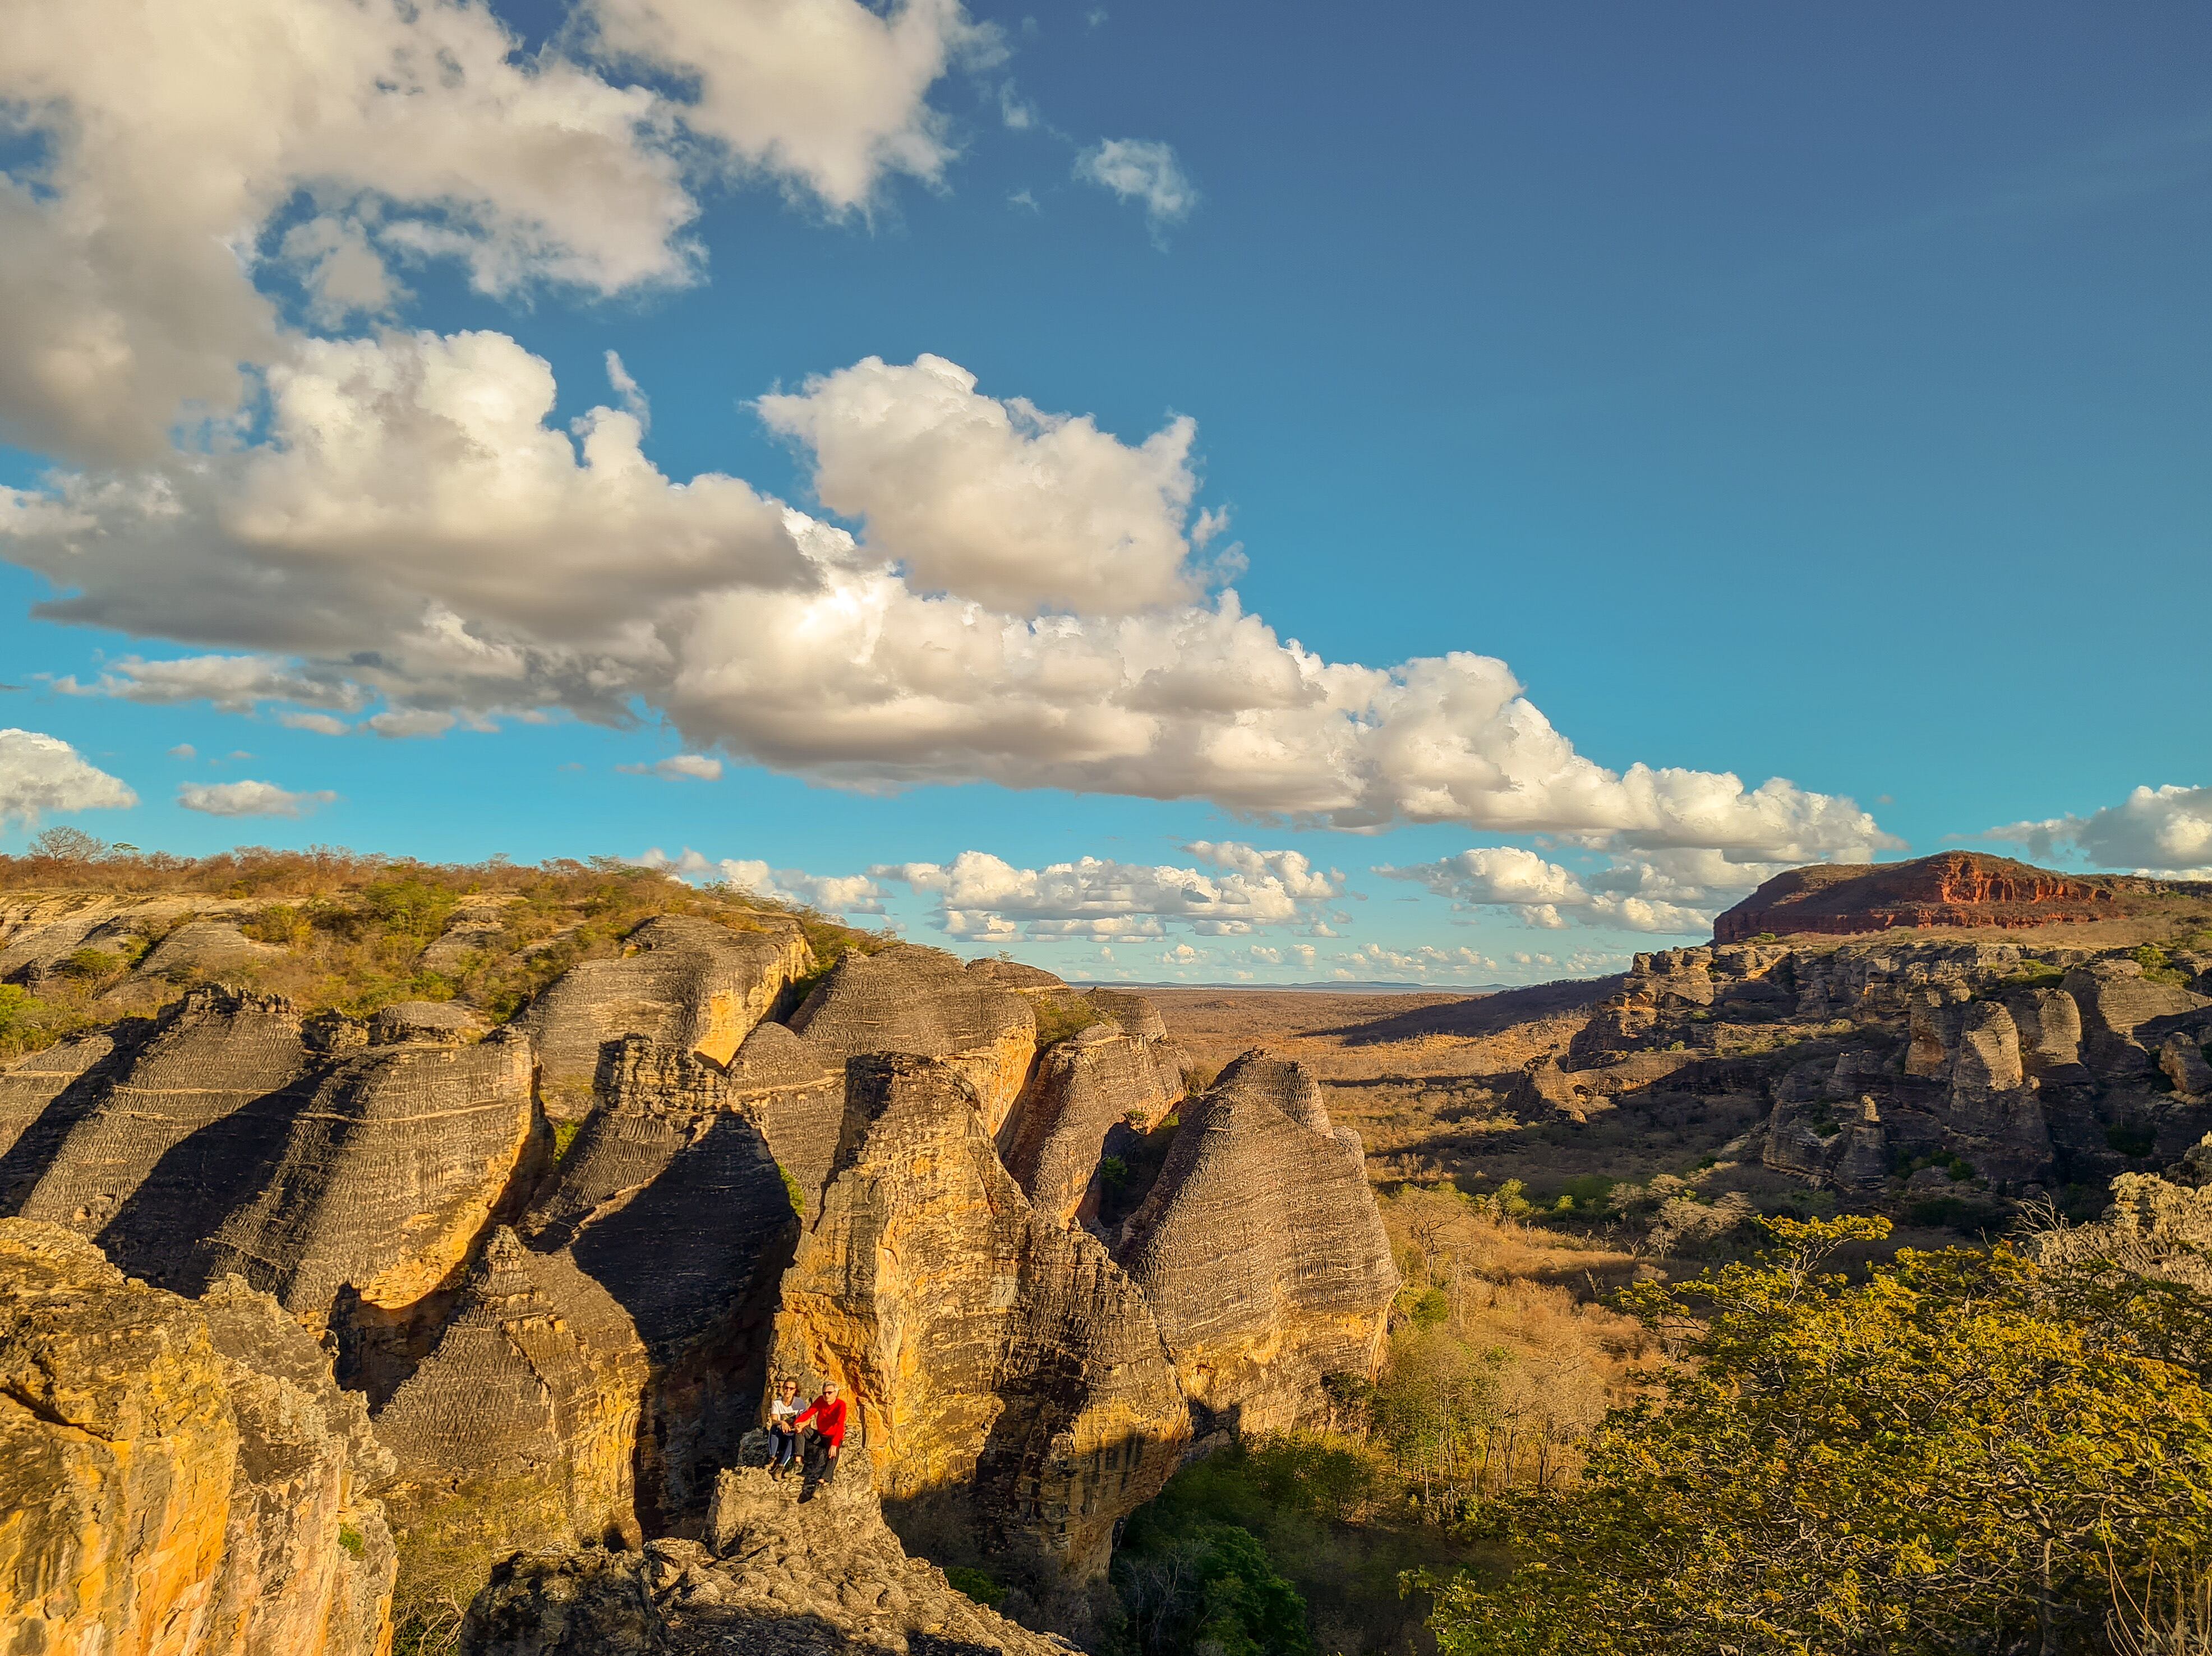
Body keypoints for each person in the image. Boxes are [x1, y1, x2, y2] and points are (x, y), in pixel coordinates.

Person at [792, 1378, 847, 1484]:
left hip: (832, 1437)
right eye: (825, 1393)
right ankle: (798, 1462)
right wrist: (798, 1423)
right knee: (801, 1429)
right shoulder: (820, 1400)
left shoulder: (841, 1405)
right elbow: (809, 1413)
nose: (827, 1395)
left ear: (836, 1393)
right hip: (820, 1435)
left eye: (830, 1393)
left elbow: (840, 1425)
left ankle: (824, 1480)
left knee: (833, 1454)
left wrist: (834, 1444)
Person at [764, 1377, 802, 1478]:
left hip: (792, 1433)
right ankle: (772, 1458)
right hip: (781, 1433)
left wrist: (798, 1426)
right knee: (774, 1429)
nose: (788, 1391)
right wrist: (782, 1422)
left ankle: (781, 1466)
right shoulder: (777, 1403)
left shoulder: (799, 1403)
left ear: (795, 1390)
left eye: (791, 1389)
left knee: (794, 1437)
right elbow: (774, 1420)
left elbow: (804, 1419)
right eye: (786, 1388)